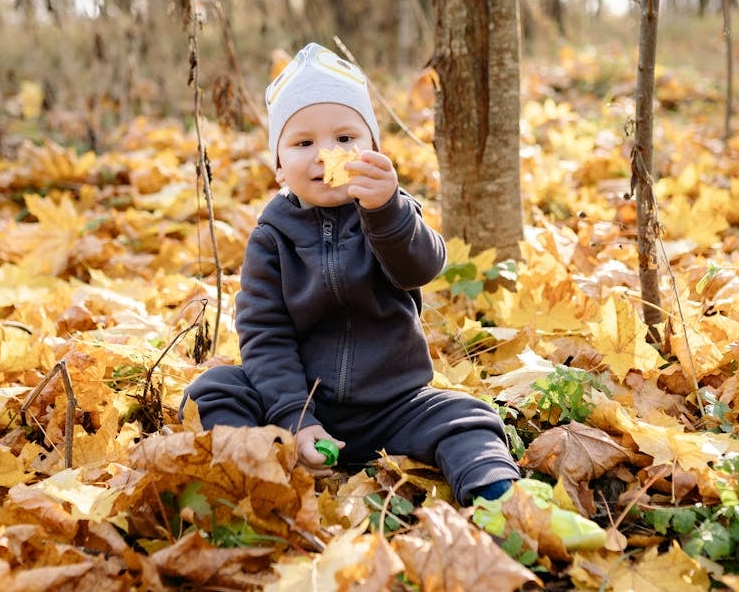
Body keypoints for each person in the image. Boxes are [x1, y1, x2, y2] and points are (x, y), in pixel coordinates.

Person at [181, 41, 522, 505]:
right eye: (303, 143)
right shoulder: (271, 238)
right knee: (213, 390)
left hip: (394, 406)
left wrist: (386, 212)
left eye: (344, 139)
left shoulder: (391, 214)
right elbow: (265, 335)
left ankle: (497, 498)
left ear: (374, 151)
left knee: (467, 416)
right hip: (302, 403)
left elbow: (422, 267)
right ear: (279, 166)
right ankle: (250, 481)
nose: (326, 154)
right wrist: (295, 418)